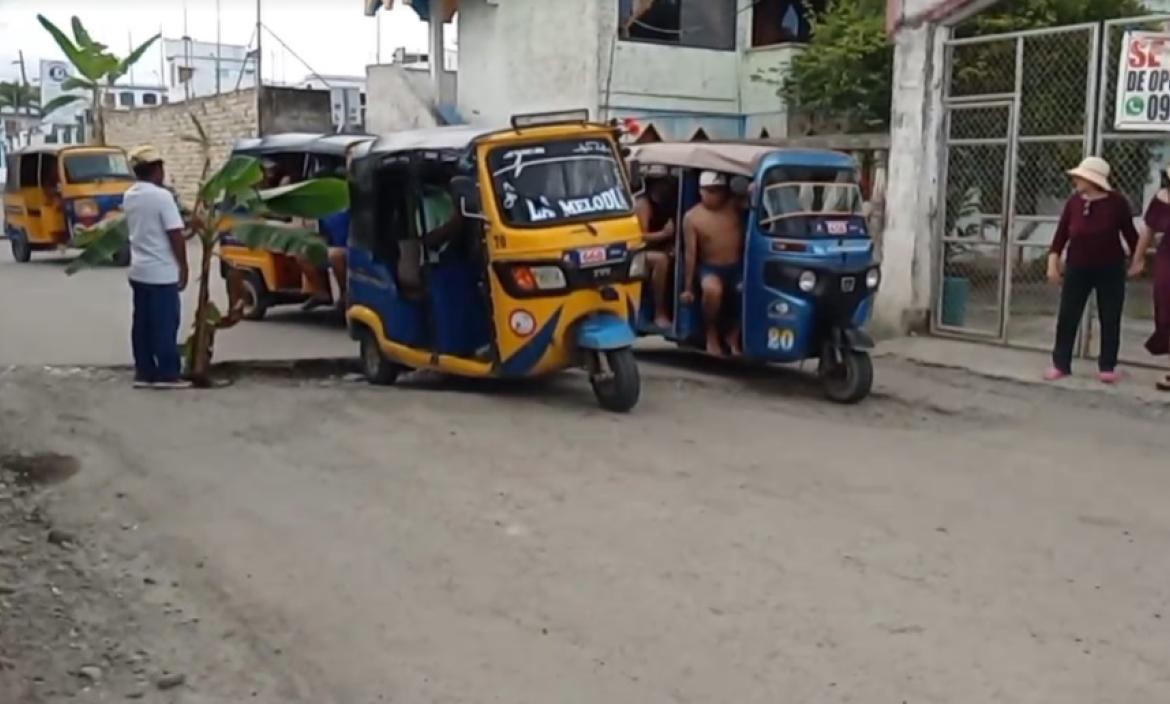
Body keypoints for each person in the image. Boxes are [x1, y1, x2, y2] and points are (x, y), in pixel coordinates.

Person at [1045, 156, 1139, 383]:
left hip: (1110, 268)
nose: (1075, 180)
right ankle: (1061, 363)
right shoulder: (1074, 203)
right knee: (1068, 315)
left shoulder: (1117, 203)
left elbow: (1131, 236)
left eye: (1080, 176)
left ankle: (1107, 366)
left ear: (1092, 179)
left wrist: (1138, 262)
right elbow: (1060, 237)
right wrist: (1053, 263)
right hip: (1078, 267)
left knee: (1110, 316)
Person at [123, 145, 190, 389]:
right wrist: (184, 266)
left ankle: (144, 372)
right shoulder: (162, 197)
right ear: (156, 170)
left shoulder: (130, 195)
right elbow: (175, 235)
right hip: (162, 272)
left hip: (139, 269)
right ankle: (168, 374)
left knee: (142, 324)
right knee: (164, 324)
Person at [680, 171, 745, 356]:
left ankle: (734, 334)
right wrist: (688, 287)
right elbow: (691, 254)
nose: (714, 195)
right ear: (701, 191)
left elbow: (750, 199)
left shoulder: (733, 206)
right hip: (710, 268)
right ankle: (711, 334)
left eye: (718, 190)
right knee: (712, 290)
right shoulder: (692, 217)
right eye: (710, 190)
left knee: (750, 289)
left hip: (736, 267)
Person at [1129, 166, 1170, 390]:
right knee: (1166, 314)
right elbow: (1148, 231)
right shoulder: (1161, 200)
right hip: (1167, 262)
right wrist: (1138, 259)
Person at [634, 169, 677, 328]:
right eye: (659, 182)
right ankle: (659, 312)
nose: (664, 186)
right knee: (661, 261)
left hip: (661, 246)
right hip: (637, 253)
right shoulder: (643, 204)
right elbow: (639, 237)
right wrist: (663, 235)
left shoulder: (668, 202)